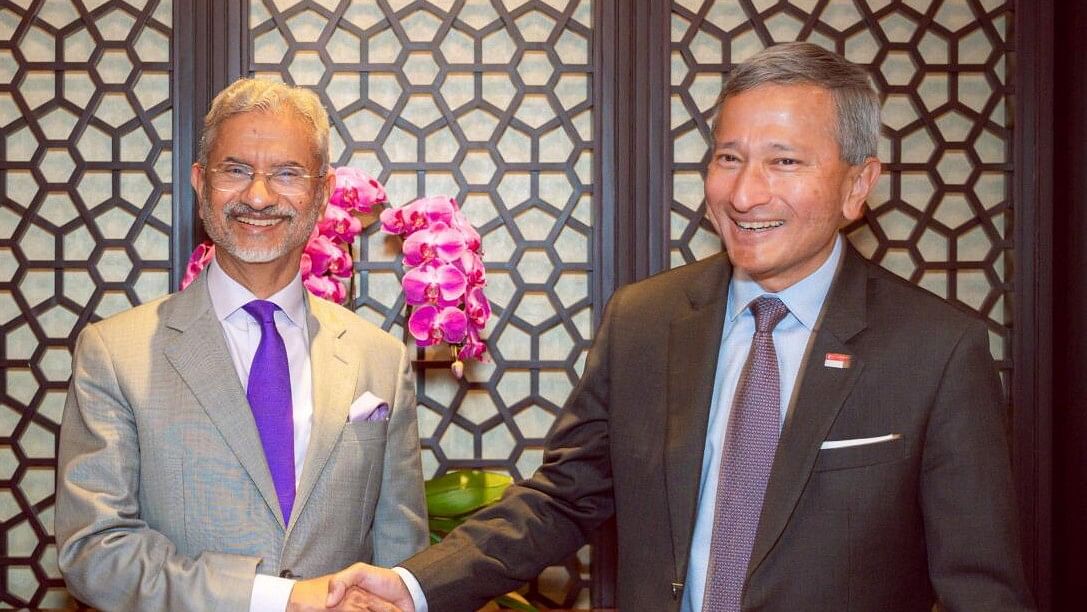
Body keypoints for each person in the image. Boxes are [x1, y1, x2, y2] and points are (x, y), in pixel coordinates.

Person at [325, 42, 1035, 612]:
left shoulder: (937, 351)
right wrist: (417, 585)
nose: (744, 191)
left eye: (783, 162)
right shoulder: (645, 321)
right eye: (728, 158)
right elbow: (565, 495)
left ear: (857, 184)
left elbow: (980, 588)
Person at [55, 78, 427, 611]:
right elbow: (96, 552)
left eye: (287, 173)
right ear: (201, 183)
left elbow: (399, 558)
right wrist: (279, 599)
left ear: (321, 195)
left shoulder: (381, 358)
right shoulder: (115, 355)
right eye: (235, 170)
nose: (258, 196)